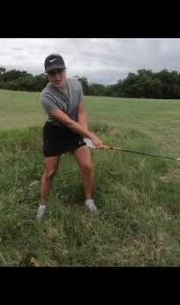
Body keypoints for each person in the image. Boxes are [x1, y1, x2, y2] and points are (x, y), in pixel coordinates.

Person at [37, 54, 105, 221]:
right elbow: (67, 122)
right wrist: (91, 136)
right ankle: (42, 206)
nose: (57, 76)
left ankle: (89, 201)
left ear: (65, 70)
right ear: (47, 75)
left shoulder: (76, 84)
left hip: (76, 128)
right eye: (52, 73)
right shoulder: (46, 96)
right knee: (50, 172)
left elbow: (81, 111)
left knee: (87, 166)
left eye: (60, 71)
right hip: (55, 132)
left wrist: (85, 135)